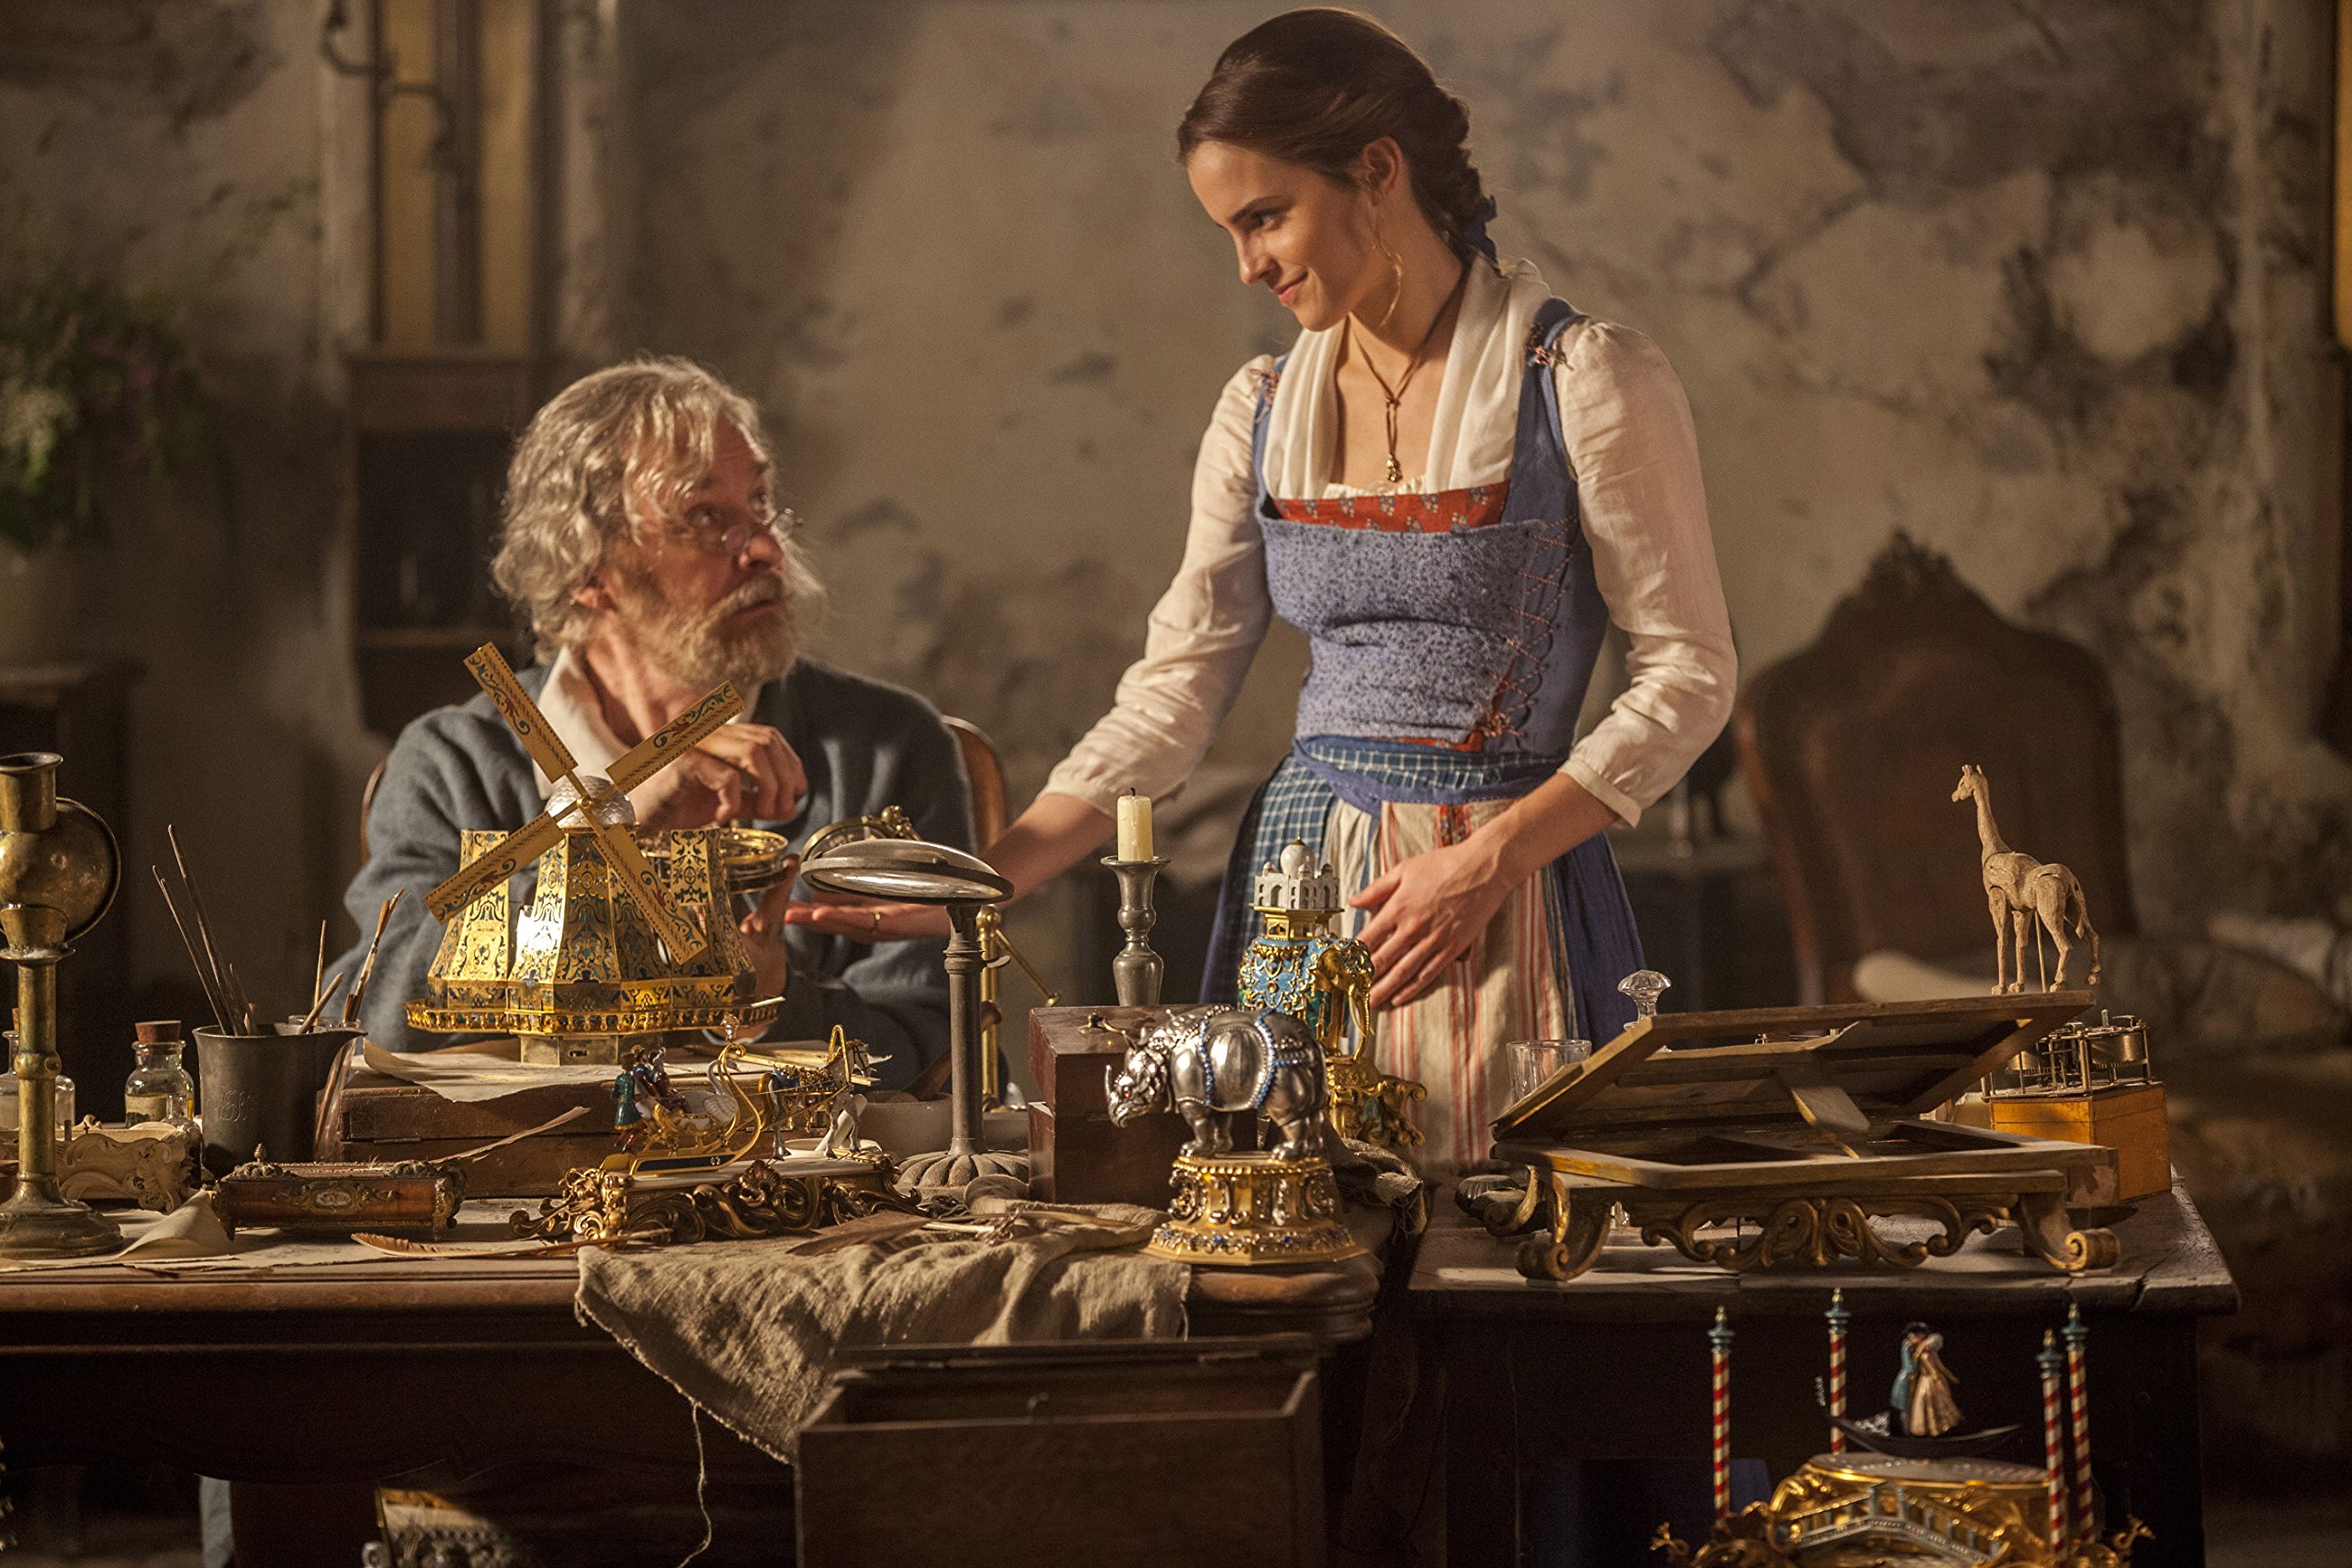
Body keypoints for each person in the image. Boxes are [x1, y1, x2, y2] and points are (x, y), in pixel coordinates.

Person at [792, 7, 1734, 1167]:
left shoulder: (1582, 380)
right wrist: (991, 882)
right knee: (1279, 1211)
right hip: (1299, 880)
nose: (1249, 266)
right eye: (1230, 232)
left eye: (1265, 217)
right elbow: (1175, 690)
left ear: (1376, 171)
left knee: (1490, 1208)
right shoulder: (1262, 409)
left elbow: (1689, 674)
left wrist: (1488, 861)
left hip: (1498, 885)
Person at [334, 357, 972, 1086]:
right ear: (588, 571)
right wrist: (610, 833)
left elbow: (939, 1046)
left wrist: (769, 1004)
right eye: (704, 517)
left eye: (759, 501)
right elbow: (373, 1020)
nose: (766, 548)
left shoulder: (884, 750)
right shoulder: (454, 765)